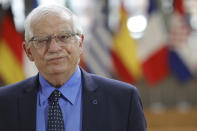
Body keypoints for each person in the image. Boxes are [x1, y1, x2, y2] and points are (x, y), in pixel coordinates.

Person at [0, 4, 146, 131]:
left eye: (64, 37)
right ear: (28, 51)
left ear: (80, 43)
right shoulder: (4, 103)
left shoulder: (123, 100)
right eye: (42, 40)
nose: (54, 48)